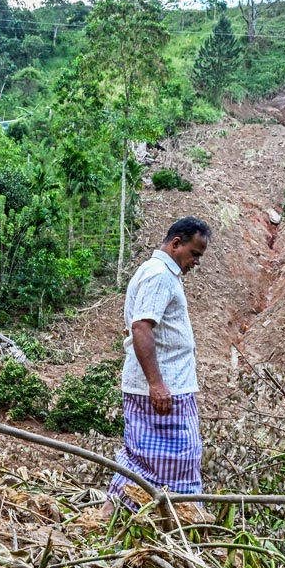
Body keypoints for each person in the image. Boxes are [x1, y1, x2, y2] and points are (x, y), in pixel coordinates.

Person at [106, 217, 210, 512]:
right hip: (162, 389)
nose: (196, 262)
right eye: (195, 254)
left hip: (164, 385)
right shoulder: (160, 275)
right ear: (176, 243)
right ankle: (184, 520)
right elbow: (141, 328)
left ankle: (116, 508)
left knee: (143, 457)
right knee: (180, 457)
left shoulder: (160, 272)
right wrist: (156, 383)